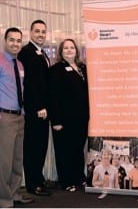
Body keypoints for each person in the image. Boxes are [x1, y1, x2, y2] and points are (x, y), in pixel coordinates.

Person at [0, 27, 34, 207]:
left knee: (17, 159)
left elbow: (20, 90)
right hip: (4, 119)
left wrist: (23, 113)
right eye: (12, 40)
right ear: (5, 41)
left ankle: (14, 193)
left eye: (18, 41)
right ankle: (3, 200)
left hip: (19, 118)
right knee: (4, 162)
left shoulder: (19, 65)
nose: (15, 43)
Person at [48, 38, 89, 192]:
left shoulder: (83, 68)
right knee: (64, 150)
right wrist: (56, 120)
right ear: (61, 51)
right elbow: (53, 97)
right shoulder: (56, 69)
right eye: (66, 48)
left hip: (81, 118)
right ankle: (66, 180)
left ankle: (79, 177)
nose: (69, 50)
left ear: (76, 51)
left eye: (72, 47)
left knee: (78, 149)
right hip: (64, 120)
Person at [17, 19, 51, 196]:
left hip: (44, 109)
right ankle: (33, 184)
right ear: (30, 33)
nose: (40, 34)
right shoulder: (27, 52)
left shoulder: (40, 52)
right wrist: (39, 106)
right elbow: (29, 83)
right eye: (37, 31)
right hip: (35, 109)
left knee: (41, 145)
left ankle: (38, 178)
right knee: (33, 146)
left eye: (43, 32)